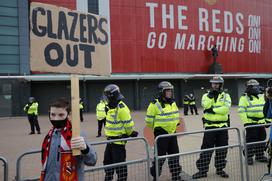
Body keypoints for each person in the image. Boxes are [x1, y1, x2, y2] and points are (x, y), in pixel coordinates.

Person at [40, 98, 97, 181]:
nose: (56, 118)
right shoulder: (49, 136)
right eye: (52, 114)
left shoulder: (77, 134)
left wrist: (85, 149)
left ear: (68, 115)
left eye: (61, 115)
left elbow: (92, 161)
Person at [192, 76, 231, 179]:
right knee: (206, 150)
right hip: (210, 127)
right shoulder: (206, 95)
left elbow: (226, 109)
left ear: (221, 84)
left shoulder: (226, 95)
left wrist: (212, 110)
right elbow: (205, 105)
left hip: (222, 126)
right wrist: (210, 96)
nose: (215, 85)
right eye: (213, 83)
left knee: (222, 150)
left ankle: (220, 169)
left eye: (217, 83)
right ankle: (202, 171)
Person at [145, 81, 182, 181]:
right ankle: (155, 177)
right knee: (160, 158)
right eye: (167, 91)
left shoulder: (173, 102)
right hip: (161, 134)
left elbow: (176, 115)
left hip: (172, 132)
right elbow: (148, 121)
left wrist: (175, 123)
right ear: (162, 92)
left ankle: (176, 176)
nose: (170, 93)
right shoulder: (154, 104)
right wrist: (158, 128)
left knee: (174, 155)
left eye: (170, 91)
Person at [103, 84, 138, 181]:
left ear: (112, 96)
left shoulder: (122, 108)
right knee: (107, 163)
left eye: (107, 96)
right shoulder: (110, 107)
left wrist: (130, 133)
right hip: (110, 141)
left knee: (120, 166)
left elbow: (129, 125)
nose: (105, 98)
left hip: (118, 142)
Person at [238, 79, 268, 165]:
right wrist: (246, 122)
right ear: (249, 87)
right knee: (250, 141)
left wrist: (266, 120)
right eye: (253, 87)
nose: (255, 88)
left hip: (261, 122)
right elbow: (241, 111)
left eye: (256, 86)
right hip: (251, 123)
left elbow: (266, 107)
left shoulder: (262, 95)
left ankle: (259, 156)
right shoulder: (244, 97)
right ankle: (249, 157)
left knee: (261, 139)